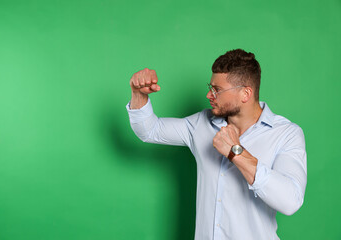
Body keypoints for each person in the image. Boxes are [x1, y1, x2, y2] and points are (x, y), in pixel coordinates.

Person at [126, 49, 307, 240]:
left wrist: (236, 152)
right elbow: (150, 130)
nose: (208, 95)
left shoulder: (286, 133)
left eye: (217, 90)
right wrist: (139, 95)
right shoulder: (200, 124)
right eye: (210, 87)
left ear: (245, 93)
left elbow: (290, 201)